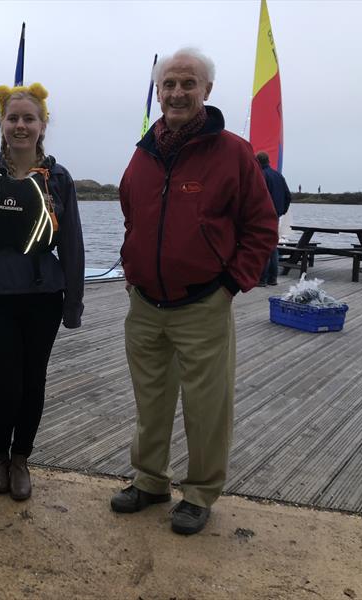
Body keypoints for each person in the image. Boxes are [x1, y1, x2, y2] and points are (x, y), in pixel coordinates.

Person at [111, 47, 278, 535]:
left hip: (203, 301)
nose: (178, 93)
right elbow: (131, 214)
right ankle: (149, 480)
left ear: (207, 90)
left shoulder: (233, 152)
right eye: (169, 85)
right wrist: (131, 261)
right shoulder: (143, 153)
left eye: (189, 84)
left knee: (207, 405)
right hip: (144, 303)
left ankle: (200, 492)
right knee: (151, 398)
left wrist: (231, 283)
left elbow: (261, 226)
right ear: (158, 92)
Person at [0, 83, 84, 501]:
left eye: (28, 118)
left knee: (33, 382)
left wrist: (73, 301)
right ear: (1, 123)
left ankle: (21, 459)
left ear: (42, 124)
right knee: (6, 385)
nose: (20, 125)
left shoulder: (59, 179)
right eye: (13, 118)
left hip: (43, 295)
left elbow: (71, 242)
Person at [256, 151, 292, 286]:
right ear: (268, 161)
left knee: (262, 246)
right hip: (275, 216)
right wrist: (281, 211)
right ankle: (273, 278)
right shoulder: (279, 176)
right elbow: (288, 196)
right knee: (272, 246)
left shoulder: (260, 175)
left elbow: (256, 197)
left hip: (262, 216)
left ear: (257, 162)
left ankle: (261, 279)